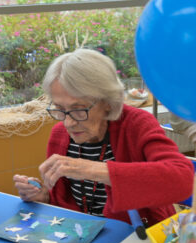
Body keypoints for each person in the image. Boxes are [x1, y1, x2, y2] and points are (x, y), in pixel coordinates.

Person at [14, 48, 193, 227]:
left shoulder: (136, 124)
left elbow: (183, 181)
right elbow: (66, 202)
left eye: (78, 109)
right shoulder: (59, 135)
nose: (68, 123)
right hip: (80, 234)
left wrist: (95, 170)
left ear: (107, 102)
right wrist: (43, 196)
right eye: (60, 109)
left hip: (140, 234)